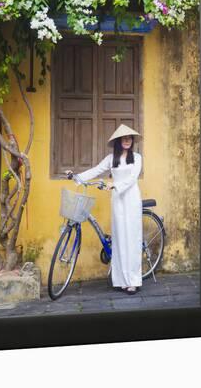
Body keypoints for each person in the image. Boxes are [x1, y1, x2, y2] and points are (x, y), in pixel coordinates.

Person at [68, 124, 143, 295]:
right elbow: (96, 170)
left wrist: (115, 185)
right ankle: (122, 280)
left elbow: (132, 179)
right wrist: (77, 177)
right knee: (120, 239)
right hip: (117, 201)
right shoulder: (111, 159)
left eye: (129, 138)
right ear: (118, 141)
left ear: (132, 141)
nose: (127, 140)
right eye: (123, 138)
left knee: (132, 239)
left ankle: (133, 281)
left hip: (131, 200)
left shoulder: (137, 158)